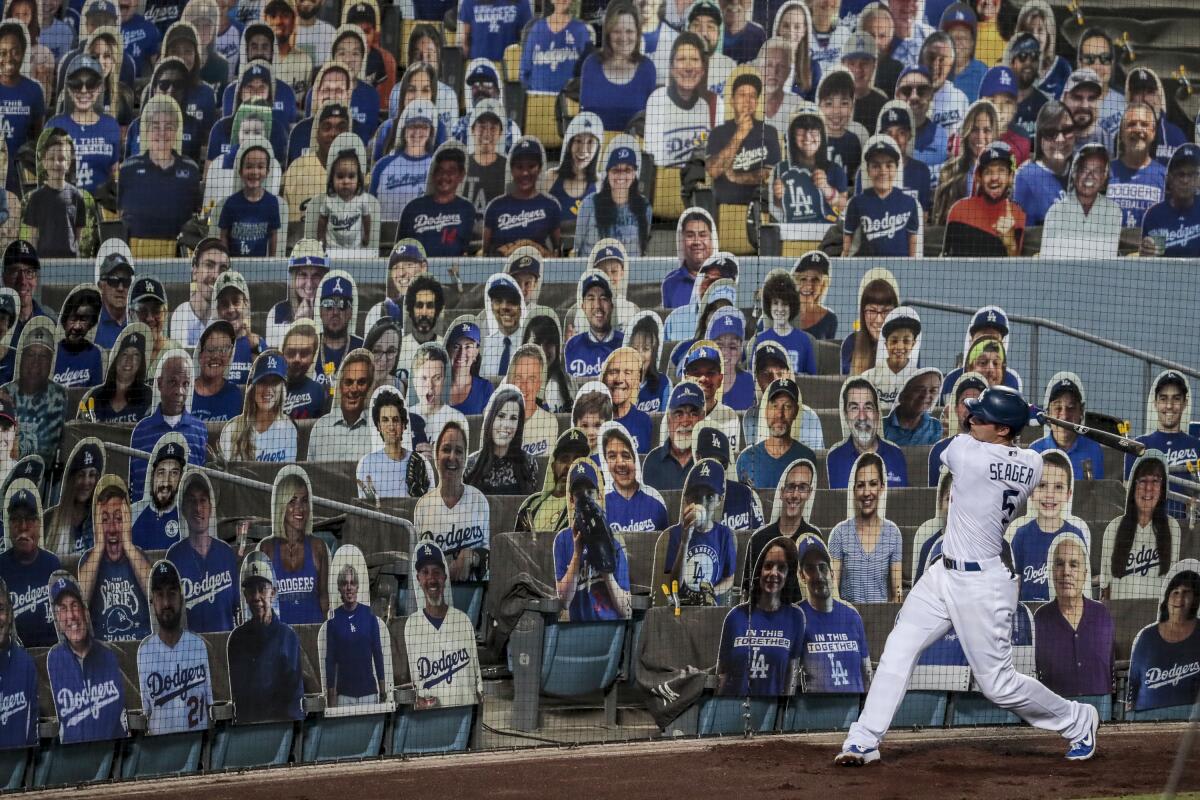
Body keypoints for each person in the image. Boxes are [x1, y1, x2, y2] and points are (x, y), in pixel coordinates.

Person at [836, 385, 1098, 765]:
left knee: (999, 684)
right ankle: (863, 739)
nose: (972, 419)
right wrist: (1026, 415)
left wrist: (1023, 413)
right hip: (944, 573)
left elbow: (952, 444)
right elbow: (1020, 450)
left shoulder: (966, 453)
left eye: (983, 418)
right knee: (900, 644)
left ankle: (1077, 719)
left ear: (1004, 430)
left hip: (983, 586)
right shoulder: (1032, 464)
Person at [716, 536, 804, 696]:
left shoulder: (795, 617)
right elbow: (722, 675)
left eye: (781, 568)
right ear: (759, 570)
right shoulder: (735, 616)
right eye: (768, 566)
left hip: (771, 714)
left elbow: (790, 678)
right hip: (733, 710)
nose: (773, 573)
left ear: (788, 575)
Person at [46, 573, 128, 744]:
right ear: (57, 620)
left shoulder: (111, 655)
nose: (71, 616)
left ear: (84, 611)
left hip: (112, 755)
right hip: (74, 760)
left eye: (74, 605)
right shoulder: (52, 661)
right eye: (63, 608)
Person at [1033, 533, 1114, 702]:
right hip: (1054, 709)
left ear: (1085, 574)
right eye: (1060, 564)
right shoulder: (1039, 619)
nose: (1066, 572)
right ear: (1052, 572)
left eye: (1074, 565)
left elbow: (1109, 665)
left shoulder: (1102, 615)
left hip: (1098, 708)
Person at [137, 560, 213, 735]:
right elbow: (143, 714)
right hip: (160, 750)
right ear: (152, 601)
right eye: (159, 595)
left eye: (171, 593)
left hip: (197, 745)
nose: (166, 603)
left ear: (181, 597)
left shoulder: (199, 646)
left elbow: (212, 705)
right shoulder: (144, 653)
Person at [228, 553, 304, 724]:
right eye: (251, 591)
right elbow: (237, 695)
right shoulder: (236, 639)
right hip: (247, 731)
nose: (256, 597)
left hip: (280, 729)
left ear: (273, 593)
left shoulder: (288, 637)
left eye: (262, 589)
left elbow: (295, 700)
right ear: (245, 596)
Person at [553, 458, 631, 622]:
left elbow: (627, 610)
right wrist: (577, 553)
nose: (586, 499)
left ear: (599, 495)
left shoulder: (614, 540)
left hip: (610, 630)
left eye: (590, 492)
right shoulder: (562, 540)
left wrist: (603, 560)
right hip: (577, 631)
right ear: (572, 500)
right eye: (579, 494)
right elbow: (563, 601)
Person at [118, 96, 203, 247]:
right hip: (136, 253)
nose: (162, 133)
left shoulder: (191, 170)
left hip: (177, 255)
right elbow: (119, 215)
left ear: (176, 131)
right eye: (156, 127)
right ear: (147, 132)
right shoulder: (127, 169)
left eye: (169, 127)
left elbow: (196, 215)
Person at [1007, 449, 1090, 603]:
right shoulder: (1021, 535)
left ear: (1068, 494)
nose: (1049, 494)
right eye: (1042, 485)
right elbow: (1014, 584)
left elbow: (1081, 588)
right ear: (1031, 491)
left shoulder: (1076, 535)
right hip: (1029, 620)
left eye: (1058, 487)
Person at [77, 476, 153, 642]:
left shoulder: (139, 556)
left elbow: (155, 596)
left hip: (140, 652)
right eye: (104, 520)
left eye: (119, 519)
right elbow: (79, 602)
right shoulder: (89, 561)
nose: (112, 528)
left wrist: (128, 544)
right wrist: (98, 547)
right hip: (102, 657)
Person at [414, 421, 490, 582]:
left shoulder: (478, 500)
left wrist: (471, 555)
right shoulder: (423, 505)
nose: (452, 457)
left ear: (464, 458)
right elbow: (418, 560)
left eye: (459, 451)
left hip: (472, 593)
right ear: (436, 455)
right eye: (446, 449)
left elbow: (487, 554)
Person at [129, 350, 208, 503]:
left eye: (185, 384)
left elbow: (200, 484)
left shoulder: (200, 430)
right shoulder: (140, 431)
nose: (179, 391)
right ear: (159, 384)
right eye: (173, 382)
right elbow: (136, 487)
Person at [797, 535, 873, 693]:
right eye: (810, 568)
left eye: (822, 567)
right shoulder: (797, 617)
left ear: (832, 573)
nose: (818, 575)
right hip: (817, 710)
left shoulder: (852, 616)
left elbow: (867, 673)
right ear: (802, 576)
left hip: (852, 710)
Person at [167, 470, 238, 633]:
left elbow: (236, 608)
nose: (198, 508)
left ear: (211, 507)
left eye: (202, 501)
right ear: (183, 508)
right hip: (190, 651)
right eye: (192, 501)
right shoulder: (174, 556)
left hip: (224, 647)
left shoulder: (226, 553)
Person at [1101, 454, 1178, 602]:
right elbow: (1106, 589)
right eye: (1143, 481)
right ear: (1132, 487)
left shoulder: (1173, 528)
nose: (1148, 488)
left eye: (1155, 481)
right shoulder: (1114, 527)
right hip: (1121, 619)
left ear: (1162, 489)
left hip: (1156, 619)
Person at [828, 452, 902, 604]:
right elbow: (833, 593)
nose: (867, 492)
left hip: (881, 622)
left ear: (882, 487)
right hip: (848, 622)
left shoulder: (893, 533)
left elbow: (898, 592)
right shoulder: (839, 533)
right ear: (854, 490)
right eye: (861, 485)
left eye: (873, 484)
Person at [1127, 566, 1200, 715]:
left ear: (1195, 598)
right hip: (1147, 719)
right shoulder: (1147, 636)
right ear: (1167, 598)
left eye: (1186, 593)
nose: (1179, 598)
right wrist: (1129, 713)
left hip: (1190, 721)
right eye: (1175, 592)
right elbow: (1134, 682)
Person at [664, 458, 737, 605]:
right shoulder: (677, 533)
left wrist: (712, 592)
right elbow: (674, 587)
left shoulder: (725, 535)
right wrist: (685, 541)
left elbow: (729, 578)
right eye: (696, 497)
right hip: (682, 609)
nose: (702, 503)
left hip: (710, 611)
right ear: (686, 499)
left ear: (719, 499)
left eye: (710, 497)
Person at [1128, 371, 1200, 519]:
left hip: (1189, 531)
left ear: (1184, 403)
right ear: (1155, 403)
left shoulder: (1197, 446)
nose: (1169, 405)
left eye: (1176, 399)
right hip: (1148, 529)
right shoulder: (1138, 446)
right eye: (1163, 398)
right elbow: (1128, 497)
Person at [46, 54, 121, 197]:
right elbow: (45, 175)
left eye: (91, 83)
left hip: (101, 209)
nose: (84, 90)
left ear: (99, 88)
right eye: (77, 84)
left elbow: (114, 174)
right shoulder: (55, 125)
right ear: (68, 88)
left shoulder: (111, 126)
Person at [646, 33, 722, 169]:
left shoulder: (706, 106)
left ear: (702, 70)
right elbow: (652, 164)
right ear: (671, 68)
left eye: (694, 59)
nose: (688, 67)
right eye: (681, 59)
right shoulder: (658, 100)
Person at [742, 457, 819, 590]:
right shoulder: (758, 539)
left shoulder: (813, 538)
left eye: (802, 488)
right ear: (782, 492)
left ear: (809, 493)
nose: (795, 494)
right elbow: (747, 592)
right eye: (791, 487)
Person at [706, 69, 781, 205]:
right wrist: (739, 135)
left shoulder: (769, 132)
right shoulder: (718, 132)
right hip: (725, 207)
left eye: (752, 96)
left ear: (757, 102)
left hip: (760, 206)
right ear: (732, 101)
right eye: (742, 95)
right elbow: (713, 171)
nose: (748, 100)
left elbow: (771, 176)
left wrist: (736, 177)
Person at [0, 480, 60, 646]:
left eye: (30, 519)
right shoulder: (1, 567)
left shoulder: (52, 565)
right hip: (11, 658)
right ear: (9, 526)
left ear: (39, 525)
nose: (23, 526)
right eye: (16, 519)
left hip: (48, 655)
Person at [942, 140, 1026, 256]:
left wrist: (1010, 244)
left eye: (1001, 171)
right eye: (988, 172)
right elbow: (945, 262)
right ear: (978, 178)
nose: (994, 177)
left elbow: (1016, 272)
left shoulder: (1018, 216)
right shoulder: (959, 210)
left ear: (1010, 177)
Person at [1040, 143, 1122, 259]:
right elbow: (1048, 260)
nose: (1090, 176)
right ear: (1074, 173)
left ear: (1104, 177)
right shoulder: (1056, 211)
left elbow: (1107, 257)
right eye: (1084, 169)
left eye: (1097, 171)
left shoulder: (1113, 211)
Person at [323, 558, 387, 708]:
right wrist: (331, 697)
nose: (349, 587)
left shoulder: (369, 616)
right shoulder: (333, 620)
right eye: (345, 584)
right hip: (344, 696)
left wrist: (382, 691)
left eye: (352, 583)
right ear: (340, 588)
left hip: (369, 694)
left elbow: (378, 654)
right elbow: (330, 661)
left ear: (357, 586)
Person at [483, 138, 562, 257]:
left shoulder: (551, 205)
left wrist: (542, 252)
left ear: (539, 168)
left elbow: (559, 252)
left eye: (531, 166)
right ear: (512, 170)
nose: (525, 173)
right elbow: (484, 253)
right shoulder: (495, 206)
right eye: (519, 167)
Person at [574, 137, 653, 257]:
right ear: (607, 174)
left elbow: (643, 248)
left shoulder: (644, 206)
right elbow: (577, 248)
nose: (621, 175)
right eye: (615, 170)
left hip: (629, 273)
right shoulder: (589, 203)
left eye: (627, 170)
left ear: (634, 174)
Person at [844, 135, 920, 257]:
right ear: (868, 170)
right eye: (876, 166)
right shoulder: (856, 203)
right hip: (867, 267)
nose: (883, 171)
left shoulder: (909, 202)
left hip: (900, 268)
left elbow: (913, 240)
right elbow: (848, 241)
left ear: (896, 169)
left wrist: (912, 268)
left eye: (889, 166)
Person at [827, 377, 908, 489]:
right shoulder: (833, 460)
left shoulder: (896, 455)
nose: (862, 416)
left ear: (877, 414)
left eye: (868, 407)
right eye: (854, 408)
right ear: (846, 416)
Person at [736, 377, 816, 490]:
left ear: (796, 411)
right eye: (774, 406)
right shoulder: (746, 458)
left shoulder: (807, 457)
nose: (780, 414)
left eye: (787, 407)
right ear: (766, 411)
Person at [771, 105, 847, 223]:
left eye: (814, 129)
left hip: (827, 235)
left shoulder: (835, 169)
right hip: (793, 235)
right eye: (801, 129)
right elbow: (779, 207)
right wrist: (777, 196)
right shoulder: (781, 169)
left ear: (822, 135)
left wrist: (827, 189)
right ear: (792, 135)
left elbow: (844, 208)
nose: (807, 135)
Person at [4, 318, 66, 465]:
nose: (35, 362)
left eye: (43, 356)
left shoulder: (59, 396)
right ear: (21, 358)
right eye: (30, 354)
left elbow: (48, 451)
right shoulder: (5, 393)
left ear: (51, 362)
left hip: (42, 474)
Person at [398, 142, 476, 258]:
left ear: (461, 175)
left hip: (451, 271)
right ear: (433, 175)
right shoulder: (413, 207)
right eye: (440, 170)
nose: (444, 176)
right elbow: (400, 249)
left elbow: (468, 251)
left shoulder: (467, 209)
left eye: (451, 171)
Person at [22, 128, 87, 259]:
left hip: (70, 263)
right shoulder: (36, 198)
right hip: (44, 262)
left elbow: (78, 235)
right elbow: (32, 237)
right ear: (44, 163)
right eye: (51, 158)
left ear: (68, 164)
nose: (56, 163)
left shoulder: (77, 196)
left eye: (61, 159)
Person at [931, 98, 998, 224]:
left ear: (995, 134)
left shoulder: (1005, 176)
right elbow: (937, 222)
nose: (980, 137)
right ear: (966, 132)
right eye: (974, 129)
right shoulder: (948, 172)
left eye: (987, 130)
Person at [464, 385, 539, 495]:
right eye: (501, 416)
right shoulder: (470, 465)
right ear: (491, 419)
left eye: (513, 418)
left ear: (519, 425)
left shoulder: (529, 464)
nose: (506, 425)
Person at [1030, 373, 1105, 479]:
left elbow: (1096, 494)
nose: (1064, 416)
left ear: (1081, 412)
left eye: (1071, 407)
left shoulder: (1094, 450)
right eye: (1058, 408)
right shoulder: (1035, 451)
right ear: (1048, 414)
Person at [515, 428, 591, 533]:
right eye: (564, 459)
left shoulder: (588, 506)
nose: (569, 466)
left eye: (577, 460)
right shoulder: (530, 505)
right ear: (553, 466)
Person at [598, 422, 669, 534]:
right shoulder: (600, 505)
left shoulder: (655, 500)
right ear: (606, 462)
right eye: (612, 456)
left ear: (634, 459)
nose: (621, 463)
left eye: (626, 456)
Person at [1012, 100, 1073, 228]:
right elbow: (1024, 236)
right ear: (1040, 138)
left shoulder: (1084, 169)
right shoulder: (1027, 177)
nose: (1060, 139)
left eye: (1067, 130)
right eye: (1051, 133)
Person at [357, 387, 425, 500]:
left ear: (403, 425)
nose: (391, 426)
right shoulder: (367, 463)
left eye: (395, 419)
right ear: (378, 426)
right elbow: (369, 509)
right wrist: (372, 502)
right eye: (385, 420)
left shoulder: (418, 461)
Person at [0, 21, 45, 194]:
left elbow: (38, 139)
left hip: (21, 177)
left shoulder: (33, 91)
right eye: (2, 53)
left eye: (15, 52)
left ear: (24, 52)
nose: (9, 59)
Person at [307, 349, 375, 462]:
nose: (354, 389)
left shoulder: (376, 429)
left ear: (369, 386)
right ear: (340, 386)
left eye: (361, 382)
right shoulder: (321, 427)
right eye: (348, 382)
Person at [1108, 102, 1166, 230]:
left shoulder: (1165, 177)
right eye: (1131, 124)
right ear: (1122, 133)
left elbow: (1166, 226)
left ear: (1153, 132)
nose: (1138, 129)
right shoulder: (1105, 173)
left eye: (1144, 124)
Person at [45, 438, 104, 558]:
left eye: (92, 475)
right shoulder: (51, 518)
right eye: (81, 475)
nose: (86, 482)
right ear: (71, 480)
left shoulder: (101, 520)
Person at [81, 324, 152, 424]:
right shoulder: (94, 397)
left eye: (136, 354)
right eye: (124, 353)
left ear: (141, 362)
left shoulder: (149, 397)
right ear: (115, 359)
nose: (129, 360)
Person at [1141, 143, 1200, 258]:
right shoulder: (1154, 215)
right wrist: (1146, 253)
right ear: (1170, 179)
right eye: (1180, 174)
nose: (1185, 180)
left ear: (1198, 179)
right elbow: (1149, 262)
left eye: (1191, 174)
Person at [519, 0, 590, 96]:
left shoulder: (580, 29)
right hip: (538, 100)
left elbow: (588, 69)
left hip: (568, 101)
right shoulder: (536, 28)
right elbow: (525, 69)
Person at [644, 381, 704, 492]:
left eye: (693, 414)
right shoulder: (652, 461)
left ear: (702, 418)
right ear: (668, 419)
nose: (685, 422)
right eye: (678, 414)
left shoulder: (710, 458)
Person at [169, 239, 230, 348]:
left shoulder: (229, 318)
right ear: (195, 272)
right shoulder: (181, 314)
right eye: (209, 265)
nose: (216, 275)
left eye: (222, 269)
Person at [130, 436, 186, 551]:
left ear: (181, 478)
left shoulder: (187, 518)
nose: (166, 482)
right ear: (152, 476)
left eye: (174, 473)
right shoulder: (132, 514)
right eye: (161, 472)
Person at [0, 578, 37, 749]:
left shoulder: (25, 664)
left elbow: (31, 735)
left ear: (10, 614)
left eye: (0, 609)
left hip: (18, 767)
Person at [506, 345, 560, 459]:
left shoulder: (549, 422)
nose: (524, 386)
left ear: (539, 383)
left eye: (531, 379)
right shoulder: (495, 421)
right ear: (511, 381)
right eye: (518, 378)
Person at [314, 271, 364, 389]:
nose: (335, 312)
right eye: (328, 304)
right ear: (320, 311)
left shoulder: (362, 349)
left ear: (350, 312)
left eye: (342, 305)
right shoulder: (309, 346)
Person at [894, 65, 946, 177]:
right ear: (897, 95)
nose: (914, 97)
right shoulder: (887, 137)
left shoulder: (944, 137)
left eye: (922, 90)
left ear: (931, 95)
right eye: (907, 91)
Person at [662, 207, 719, 309]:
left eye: (702, 235)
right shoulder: (670, 283)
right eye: (690, 235)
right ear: (682, 241)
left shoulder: (724, 280)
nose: (697, 241)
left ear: (712, 240)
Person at [53, 284, 104, 389]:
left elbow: (93, 396)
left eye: (83, 319)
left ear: (91, 323)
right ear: (65, 320)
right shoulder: (52, 352)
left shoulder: (94, 354)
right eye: (73, 318)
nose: (77, 326)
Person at [977, 65, 1031, 164]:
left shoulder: (1022, 139)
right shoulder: (969, 136)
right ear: (980, 103)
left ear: (1015, 107)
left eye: (1007, 102)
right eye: (992, 101)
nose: (1000, 109)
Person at [479, 273, 526, 381]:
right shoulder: (484, 345)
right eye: (498, 301)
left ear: (520, 308)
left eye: (511, 302)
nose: (504, 307)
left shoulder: (529, 343)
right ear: (491, 306)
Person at [1004, 32, 1050, 141]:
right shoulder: (1000, 102)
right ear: (1012, 62)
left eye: (1034, 57)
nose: (1028, 62)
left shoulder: (1045, 105)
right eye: (1022, 56)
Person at [883, 368, 943, 445]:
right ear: (903, 394)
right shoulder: (881, 426)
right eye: (919, 389)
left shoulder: (937, 427)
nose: (926, 395)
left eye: (933, 391)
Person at [1062, 67, 1111, 152]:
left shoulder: (1109, 141)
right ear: (1064, 99)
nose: (1084, 106)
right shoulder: (1050, 138)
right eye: (1077, 97)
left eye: (1092, 98)